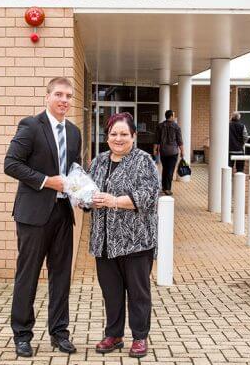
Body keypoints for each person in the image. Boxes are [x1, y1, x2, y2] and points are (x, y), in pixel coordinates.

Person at [4, 77, 82, 358]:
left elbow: (74, 171)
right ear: (47, 97)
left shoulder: (74, 132)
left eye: (69, 96)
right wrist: (47, 181)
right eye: (59, 94)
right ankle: (22, 335)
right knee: (28, 276)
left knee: (61, 277)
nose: (64, 100)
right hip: (34, 215)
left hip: (63, 214)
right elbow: (11, 164)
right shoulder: (31, 126)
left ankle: (60, 333)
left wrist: (83, 193)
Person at [88, 112, 160, 358]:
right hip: (104, 242)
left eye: (123, 134)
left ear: (133, 136)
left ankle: (140, 337)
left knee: (138, 292)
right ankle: (114, 334)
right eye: (113, 134)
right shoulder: (98, 161)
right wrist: (88, 200)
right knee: (111, 291)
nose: (118, 138)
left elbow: (149, 197)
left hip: (136, 241)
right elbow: (87, 192)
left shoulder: (144, 161)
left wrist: (114, 201)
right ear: (107, 136)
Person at [153, 110, 184, 195]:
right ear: (171, 116)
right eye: (173, 115)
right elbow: (179, 141)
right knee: (170, 170)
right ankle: (168, 189)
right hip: (173, 152)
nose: (174, 117)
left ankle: (163, 187)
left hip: (163, 151)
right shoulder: (176, 127)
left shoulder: (160, 126)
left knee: (165, 169)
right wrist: (182, 151)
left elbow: (157, 140)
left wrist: (155, 150)